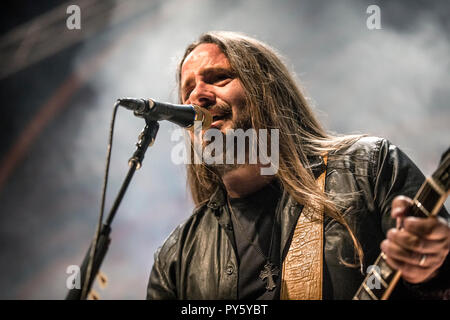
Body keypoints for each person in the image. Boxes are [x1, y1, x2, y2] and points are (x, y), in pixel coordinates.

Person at [147, 31, 449, 300]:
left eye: (218, 78)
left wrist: (436, 271)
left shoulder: (368, 167)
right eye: (188, 91)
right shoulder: (177, 257)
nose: (198, 96)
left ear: (265, 91)